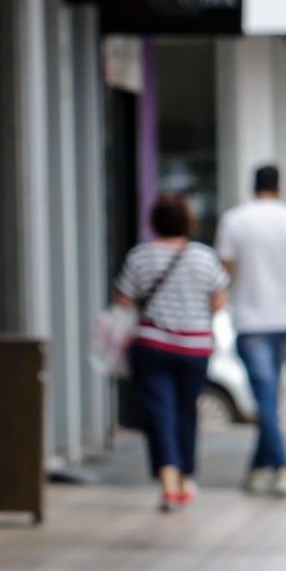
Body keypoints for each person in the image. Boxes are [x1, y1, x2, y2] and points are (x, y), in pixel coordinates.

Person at [115, 193, 229, 512]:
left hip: (153, 345)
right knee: (186, 410)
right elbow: (219, 300)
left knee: (159, 412)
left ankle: (167, 483)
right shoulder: (204, 257)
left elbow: (122, 300)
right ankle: (184, 479)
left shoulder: (140, 257)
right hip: (195, 346)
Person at [214, 163, 286, 495]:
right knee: (267, 395)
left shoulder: (235, 220)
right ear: (281, 187)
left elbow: (223, 273)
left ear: (252, 185)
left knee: (265, 395)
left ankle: (281, 464)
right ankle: (260, 468)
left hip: (251, 319)